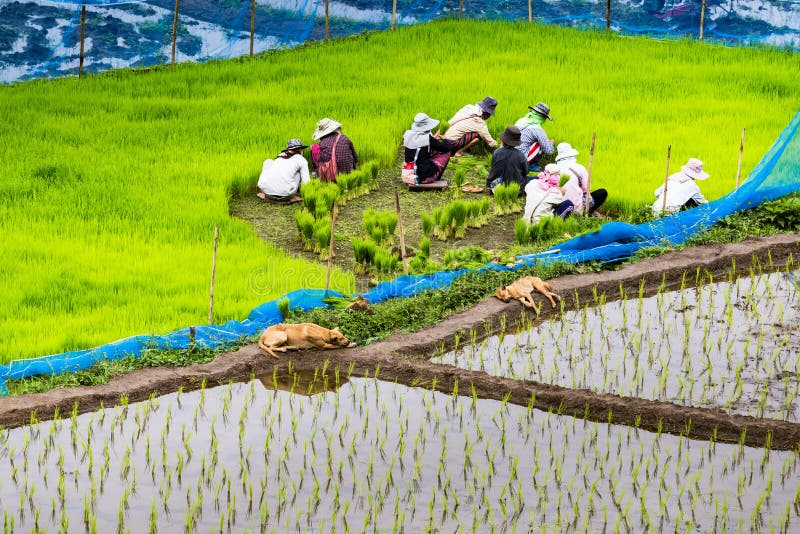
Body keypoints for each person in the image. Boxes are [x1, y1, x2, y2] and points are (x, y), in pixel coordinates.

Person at [556, 142, 607, 216]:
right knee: (602, 193)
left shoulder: (553, 170)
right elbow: (587, 190)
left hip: (560, 209)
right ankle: (587, 212)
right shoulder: (579, 168)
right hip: (576, 209)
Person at [402, 112, 453, 185]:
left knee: (422, 157)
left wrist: (433, 139)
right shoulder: (428, 139)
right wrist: (444, 139)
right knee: (446, 153)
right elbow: (447, 148)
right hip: (422, 178)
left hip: (407, 175)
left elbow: (420, 144)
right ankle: (436, 177)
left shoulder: (407, 134)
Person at [256, 139, 310, 203]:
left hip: (267, 193)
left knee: (268, 161)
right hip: (286, 196)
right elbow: (306, 182)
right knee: (298, 171)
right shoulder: (301, 159)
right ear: (300, 150)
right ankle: (292, 196)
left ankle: (265, 192)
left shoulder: (280, 156)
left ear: (288, 150)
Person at [486, 126, 530, 192]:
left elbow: (493, 169)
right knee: (533, 179)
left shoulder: (496, 152)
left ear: (503, 140)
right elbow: (526, 171)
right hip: (515, 190)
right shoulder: (520, 155)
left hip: (496, 187)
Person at [514, 102, 555, 172]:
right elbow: (549, 151)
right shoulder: (537, 129)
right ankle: (530, 165)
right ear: (544, 117)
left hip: (507, 154)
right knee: (540, 143)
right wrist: (551, 144)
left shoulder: (520, 121)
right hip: (519, 161)